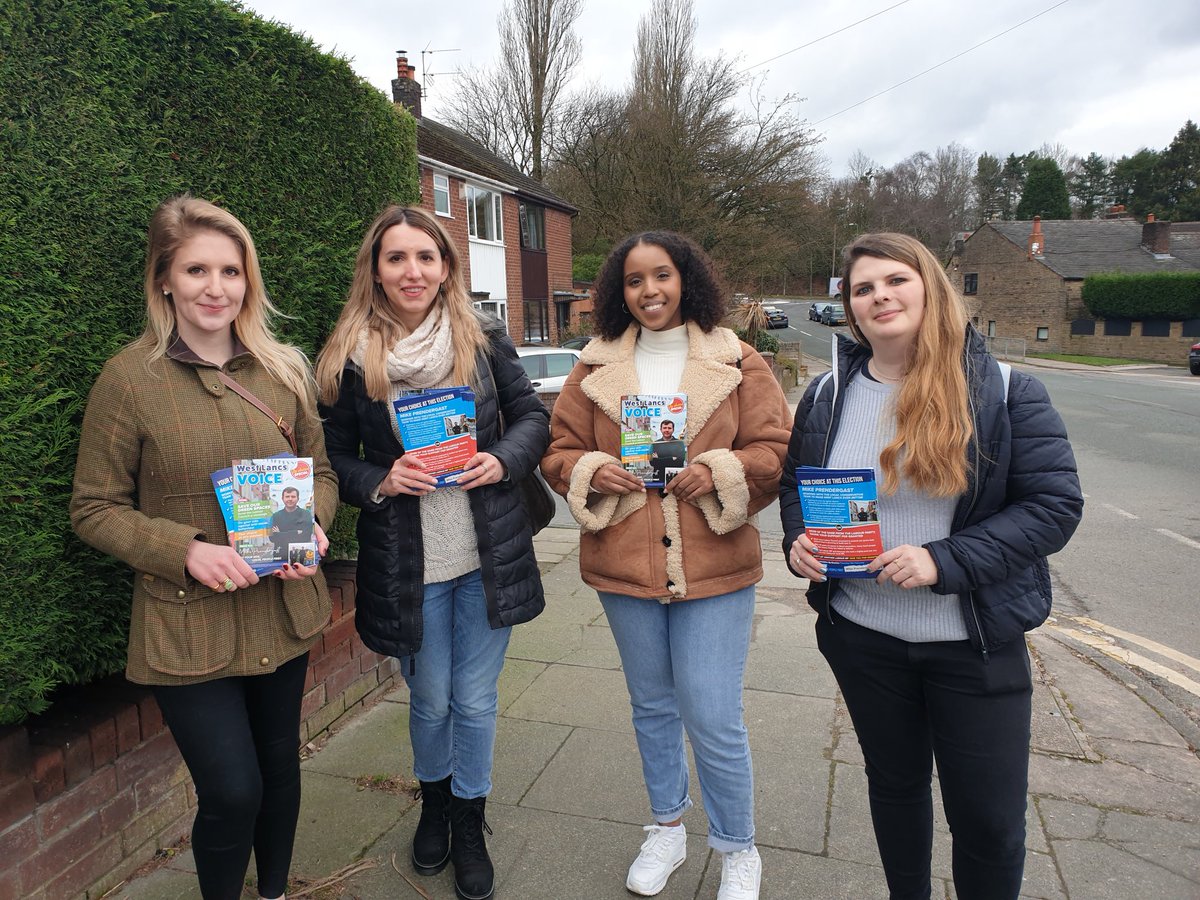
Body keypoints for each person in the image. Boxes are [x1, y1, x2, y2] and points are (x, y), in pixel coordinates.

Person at [779, 232, 1083, 900]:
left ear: (930, 288)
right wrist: (799, 544)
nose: (880, 296)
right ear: (850, 310)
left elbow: (1054, 506)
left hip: (973, 646)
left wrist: (943, 561)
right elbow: (797, 489)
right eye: (863, 289)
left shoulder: (1006, 390)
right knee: (895, 789)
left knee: (990, 822)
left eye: (896, 279)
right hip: (864, 638)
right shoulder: (829, 394)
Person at [71, 195, 337, 900]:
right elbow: (93, 508)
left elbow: (324, 474)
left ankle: (275, 891)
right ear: (163, 279)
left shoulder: (283, 370)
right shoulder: (129, 380)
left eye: (231, 270)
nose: (216, 287)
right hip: (185, 625)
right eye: (196, 270)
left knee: (280, 772)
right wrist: (184, 548)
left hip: (282, 610)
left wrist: (314, 523)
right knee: (233, 789)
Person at [542, 230, 790, 900]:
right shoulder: (591, 367)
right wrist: (594, 469)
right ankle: (667, 828)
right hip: (625, 563)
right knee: (651, 706)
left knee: (712, 713)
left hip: (714, 562)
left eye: (661, 276)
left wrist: (721, 469)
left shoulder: (737, 359)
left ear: (686, 279)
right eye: (633, 280)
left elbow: (774, 446)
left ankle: (738, 846)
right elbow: (558, 449)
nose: (649, 291)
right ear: (617, 292)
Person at [315, 206, 548, 900]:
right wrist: (379, 479)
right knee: (429, 701)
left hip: (485, 553)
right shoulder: (350, 355)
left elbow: (534, 416)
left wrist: (502, 461)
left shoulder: (483, 340)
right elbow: (330, 456)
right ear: (376, 270)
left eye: (426, 256)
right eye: (396, 258)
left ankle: (469, 819)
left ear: (446, 266)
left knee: (473, 702)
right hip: (409, 561)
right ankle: (436, 804)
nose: (412, 270)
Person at [270, 486, 315, 558]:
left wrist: (280, 534)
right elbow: (272, 538)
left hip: (300, 556)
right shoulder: (275, 516)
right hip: (280, 556)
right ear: (282, 499)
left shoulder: (306, 514)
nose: (290, 499)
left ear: (298, 499)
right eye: (287, 496)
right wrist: (296, 532)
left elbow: (306, 537)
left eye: (293, 496)